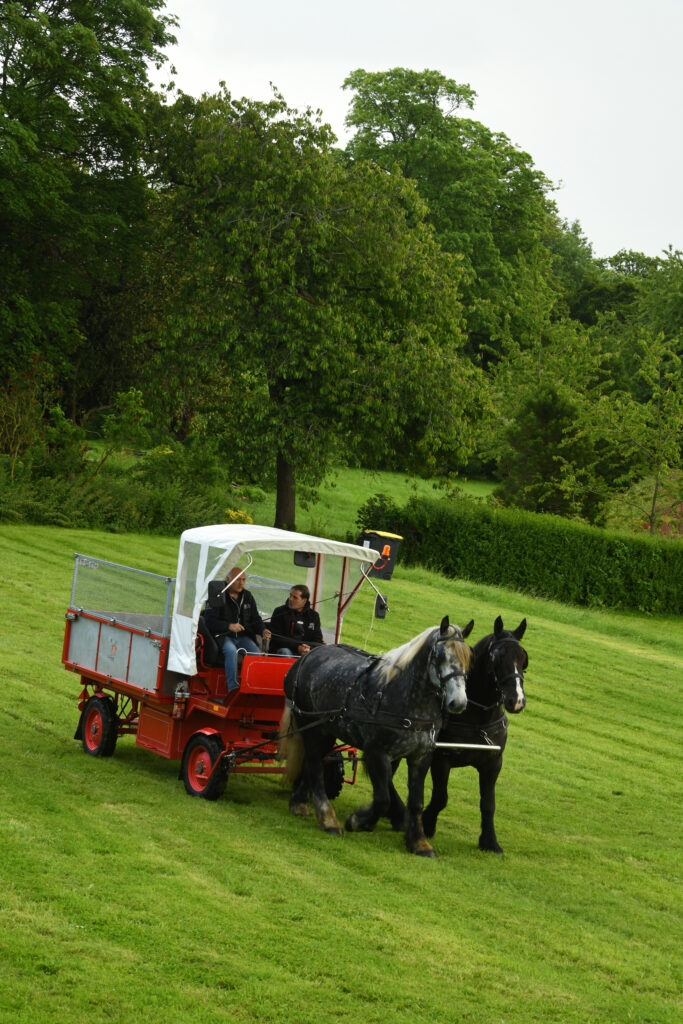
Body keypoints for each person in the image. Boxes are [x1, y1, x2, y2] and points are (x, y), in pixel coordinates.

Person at [203, 567, 271, 692]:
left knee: (255, 652)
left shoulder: (248, 596)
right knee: (231, 651)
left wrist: (262, 630)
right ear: (228, 579)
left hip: (243, 637)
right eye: (238, 579)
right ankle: (233, 688)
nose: (241, 583)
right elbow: (209, 621)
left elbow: (256, 618)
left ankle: (251, 687)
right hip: (223, 635)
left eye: (244, 580)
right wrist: (229, 626)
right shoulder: (218, 594)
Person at [269, 584, 323, 656]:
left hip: (305, 652)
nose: (290, 599)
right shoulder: (279, 611)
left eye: (295, 597)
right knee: (285, 652)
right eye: (290, 595)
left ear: (304, 601)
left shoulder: (313, 616)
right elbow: (277, 637)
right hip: (283, 649)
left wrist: (308, 648)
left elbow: (318, 640)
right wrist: (297, 647)